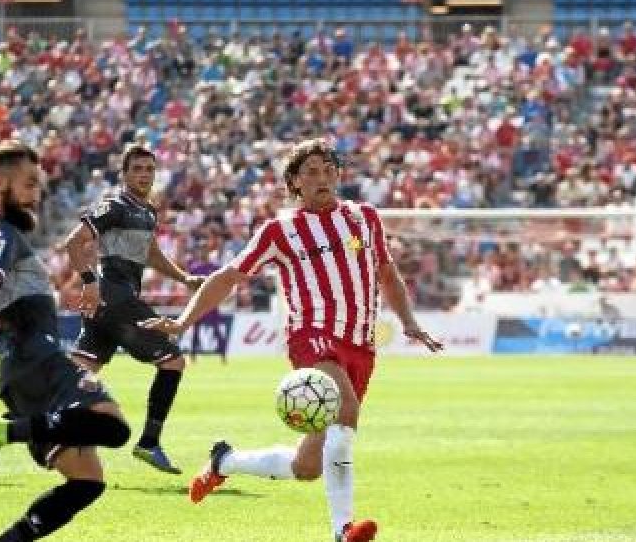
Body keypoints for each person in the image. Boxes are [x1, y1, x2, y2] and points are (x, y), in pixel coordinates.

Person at [143, 138, 443, 542]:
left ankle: (225, 461)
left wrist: (408, 322)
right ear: (295, 183)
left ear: (338, 174)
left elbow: (387, 273)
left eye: (328, 169)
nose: (322, 178)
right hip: (313, 337)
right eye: (311, 172)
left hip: (360, 346)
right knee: (346, 410)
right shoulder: (280, 231)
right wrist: (182, 321)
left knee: (307, 467)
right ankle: (343, 530)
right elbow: (228, 277)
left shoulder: (365, 218)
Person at [0, 139, 132, 542]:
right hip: (39, 361)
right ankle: (4, 430)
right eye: (29, 183)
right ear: (0, 184)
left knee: (87, 480)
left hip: (19, 374)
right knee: (113, 427)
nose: (36, 192)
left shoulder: (0, 233)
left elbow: (10, 293)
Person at [63, 143, 205, 474]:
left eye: (149, 169)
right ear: (124, 174)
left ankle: (7, 430)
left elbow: (152, 254)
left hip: (108, 304)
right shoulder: (115, 206)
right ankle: (149, 443)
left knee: (77, 375)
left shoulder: (148, 211)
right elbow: (73, 242)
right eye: (137, 169)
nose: (144, 175)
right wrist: (89, 281)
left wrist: (184, 278)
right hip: (116, 297)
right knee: (173, 361)